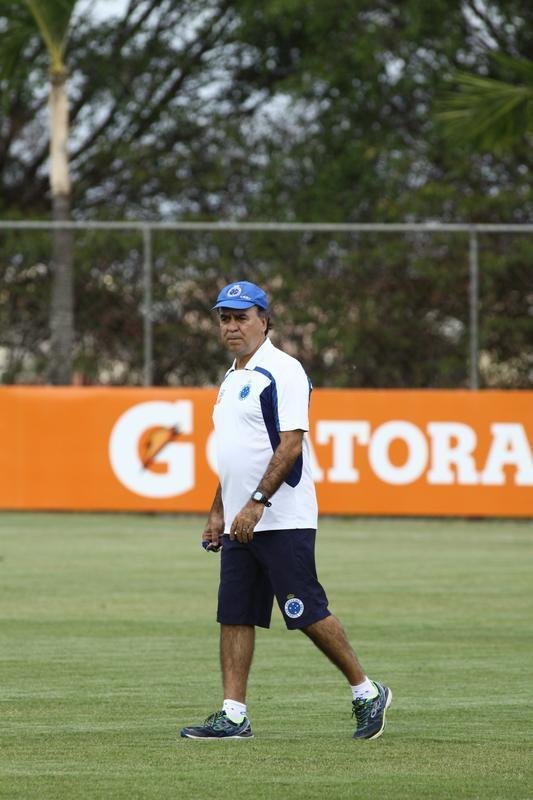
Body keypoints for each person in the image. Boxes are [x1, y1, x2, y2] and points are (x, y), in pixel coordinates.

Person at [180, 280, 391, 741]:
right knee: (235, 613)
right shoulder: (232, 378)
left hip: (282, 517)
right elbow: (235, 455)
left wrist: (257, 502)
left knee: (306, 611)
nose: (232, 326)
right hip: (240, 520)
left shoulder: (284, 370)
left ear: (264, 320)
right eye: (225, 318)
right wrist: (218, 510)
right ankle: (234, 715)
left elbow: (290, 445)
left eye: (241, 317)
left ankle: (367, 691)